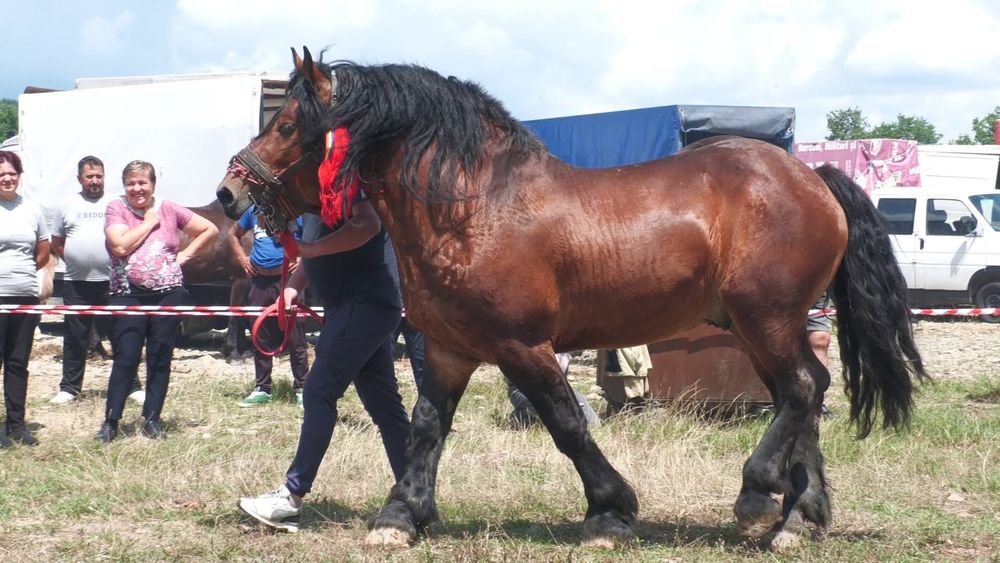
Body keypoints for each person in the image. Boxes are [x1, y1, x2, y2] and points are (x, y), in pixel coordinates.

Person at [238, 195, 408, 530]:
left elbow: (368, 225)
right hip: (358, 308)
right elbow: (314, 246)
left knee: (318, 393)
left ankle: (291, 496)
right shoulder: (315, 193)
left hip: (362, 306)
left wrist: (306, 251)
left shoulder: (345, 182)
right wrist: (295, 286)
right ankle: (414, 492)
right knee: (385, 408)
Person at [95, 160, 218, 442]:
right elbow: (120, 245)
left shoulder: (169, 207)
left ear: (153, 185)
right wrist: (150, 222)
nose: (137, 188)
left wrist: (183, 258)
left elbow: (208, 229)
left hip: (168, 293)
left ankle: (152, 419)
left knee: (160, 356)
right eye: (131, 183)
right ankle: (111, 421)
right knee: (125, 357)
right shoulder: (116, 208)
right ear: (124, 185)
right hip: (128, 295)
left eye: (143, 183)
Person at [50, 156, 143, 405]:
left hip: (113, 282)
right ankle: (69, 388)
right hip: (77, 282)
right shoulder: (67, 204)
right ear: (80, 178)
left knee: (123, 336)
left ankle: (132, 385)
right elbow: (57, 241)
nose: (95, 181)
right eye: (90, 176)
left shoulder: (116, 202)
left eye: (99, 176)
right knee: (74, 337)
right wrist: (76, 258)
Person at [227, 206, 309, 407]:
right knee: (260, 335)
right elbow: (232, 233)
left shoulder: (295, 211)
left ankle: (302, 388)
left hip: (288, 281)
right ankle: (262, 388)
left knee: (295, 337)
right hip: (259, 280)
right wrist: (242, 258)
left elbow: (314, 237)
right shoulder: (253, 212)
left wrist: (302, 260)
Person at [0, 150, 50, 447]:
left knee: (18, 362)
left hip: (25, 296)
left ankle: (16, 426)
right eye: (1, 173)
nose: (7, 178)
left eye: (12, 173)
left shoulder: (32, 210)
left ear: (19, 176)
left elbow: (43, 250)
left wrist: (22, 271)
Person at [384, 238, 426, 390]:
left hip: (416, 305)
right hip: (387, 305)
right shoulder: (378, 223)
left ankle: (428, 409)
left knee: (424, 367)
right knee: (383, 367)